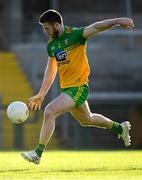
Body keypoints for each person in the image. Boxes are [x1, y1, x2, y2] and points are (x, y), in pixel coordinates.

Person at [21, 9, 134, 165]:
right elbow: (51, 70)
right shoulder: (52, 45)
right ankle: (120, 128)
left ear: (56, 24)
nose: (45, 31)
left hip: (79, 87)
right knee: (87, 119)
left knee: (49, 111)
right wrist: (42, 93)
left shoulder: (76, 35)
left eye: (47, 28)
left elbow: (96, 26)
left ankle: (38, 153)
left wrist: (117, 20)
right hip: (67, 89)